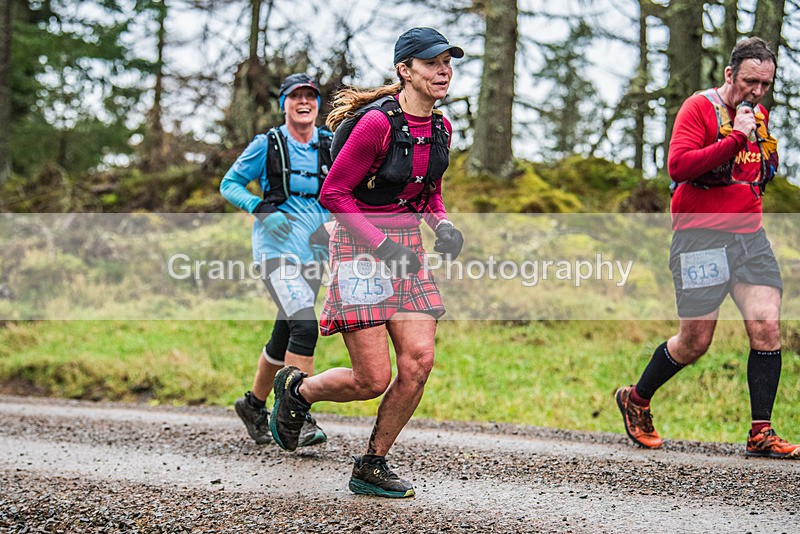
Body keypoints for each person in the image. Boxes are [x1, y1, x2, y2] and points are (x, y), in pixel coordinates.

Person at [268, 27, 465, 498]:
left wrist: (442, 226)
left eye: (448, 62)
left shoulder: (441, 128)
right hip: (360, 248)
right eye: (433, 62)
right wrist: (380, 245)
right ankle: (298, 392)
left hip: (407, 250)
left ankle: (372, 463)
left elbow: (427, 190)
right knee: (371, 379)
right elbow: (333, 194)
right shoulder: (377, 125)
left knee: (419, 362)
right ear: (405, 70)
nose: (444, 70)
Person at [616, 37, 798, 458]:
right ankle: (637, 399)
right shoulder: (700, 109)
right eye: (750, 81)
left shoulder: (759, 116)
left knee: (767, 326)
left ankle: (761, 432)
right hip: (700, 240)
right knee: (695, 340)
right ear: (730, 74)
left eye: (765, 84)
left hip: (750, 240)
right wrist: (735, 139)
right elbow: (678, 166)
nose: (756, 91)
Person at [220, 73, 332, 449]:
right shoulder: (266, 144)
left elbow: (343, 191)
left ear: (317, 103)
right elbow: (229, 184)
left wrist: (330, 226)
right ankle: (297, 415)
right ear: (283, 103)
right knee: (305, 327)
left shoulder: (330, 145)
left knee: (283, 334)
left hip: (314, 253)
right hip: (275, 253)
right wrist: (260, 207)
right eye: (295, 96)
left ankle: (253, 406)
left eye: (310, 96)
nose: (304, 102)